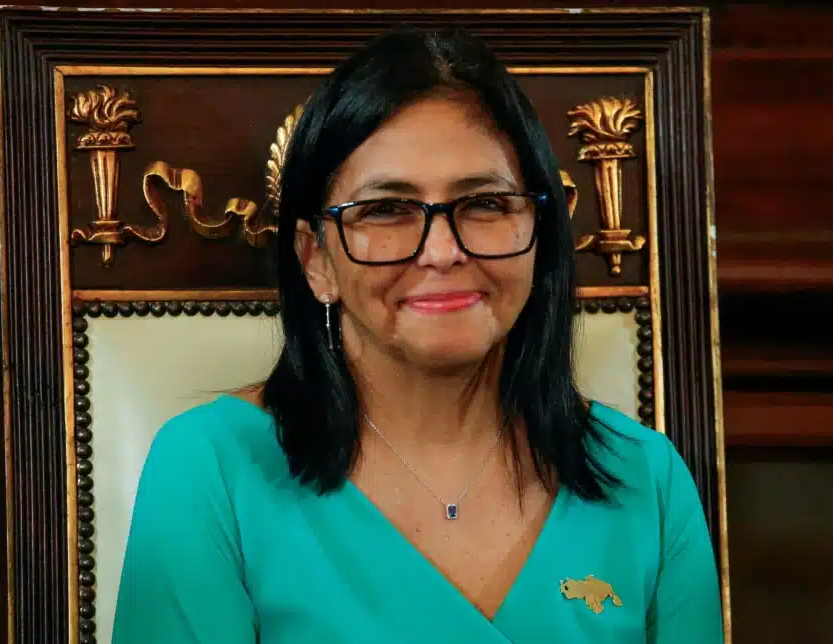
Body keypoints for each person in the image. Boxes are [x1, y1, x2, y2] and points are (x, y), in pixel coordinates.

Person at [111, 26, 724, 644]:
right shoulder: (210, 470)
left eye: (485, 203)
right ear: (316, 260)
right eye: (385, 210)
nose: (442, 251)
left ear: (538, 234)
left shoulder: (646, 477)